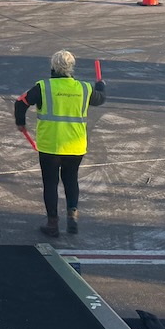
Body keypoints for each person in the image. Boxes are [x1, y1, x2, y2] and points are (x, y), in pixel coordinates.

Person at [15, 50, 106, 238]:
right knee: (71, 179)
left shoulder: (43, 87)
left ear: (53, 67)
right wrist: (101, 86)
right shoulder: (84, 88)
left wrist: (20, 123)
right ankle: (72, 214)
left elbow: (20, 103)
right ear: (72, 67)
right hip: (76, 146)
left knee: (50, 183)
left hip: (51, 146)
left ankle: (52, 224)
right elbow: (100, 99)